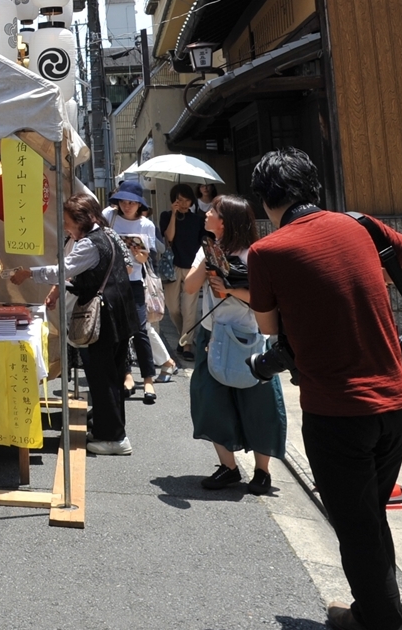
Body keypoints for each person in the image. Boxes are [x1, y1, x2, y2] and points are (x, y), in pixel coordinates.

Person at [245, 148, 402, 630]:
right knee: (369, 515)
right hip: (396, 403)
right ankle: (373, 609)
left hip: (336, 411)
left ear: (269, 198)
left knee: (355, 526)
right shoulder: (362, 226)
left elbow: (269, 327)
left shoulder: (268, 252)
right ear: (312, 189)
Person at [11, 193, 134, 456]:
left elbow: (62, 270)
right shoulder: (107, 235)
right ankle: (108, 430)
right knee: (109, 378)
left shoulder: (90, 244)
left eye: (68, 222)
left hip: (105, 319)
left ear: (84, 220)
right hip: (119, 316)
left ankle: (115, 439)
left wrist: (28, 273)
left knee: (103, 379)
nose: (66, 227)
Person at [183, 194, 286, 495]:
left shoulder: (256, 254)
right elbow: (190, 286)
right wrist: (210, 258)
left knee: (259, 406)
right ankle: (228, 467)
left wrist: (231, 290)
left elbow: (268, 300)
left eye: (212, 211)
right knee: (210, 400)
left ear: (226, 221)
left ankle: (262, 472)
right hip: (210, 336)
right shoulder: (208, 250)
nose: (206, 214)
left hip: (249, 338)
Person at [105, 181, 176, 403]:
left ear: (139, 204)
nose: (127, 206)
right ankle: (126, 374)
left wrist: (140, 255)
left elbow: (149, 258)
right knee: (118, 332)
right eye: (123, 201)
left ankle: (147, 380)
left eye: (132, 202)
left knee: (140, 331)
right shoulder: (109, 216)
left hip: (135, 282)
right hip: (112, 281)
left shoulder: (146, 225)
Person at [159, 184, 206, 356]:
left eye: (187, 200)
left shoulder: (199, 220)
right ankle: (183, 337)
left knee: (189, 308)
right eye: (180, 200)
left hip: (193, 267)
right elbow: (169, 238)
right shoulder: (166, 216)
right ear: (174, 200)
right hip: (173, 266)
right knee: (172, 308)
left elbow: (203, 244)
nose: (184, 204)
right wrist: (173, 214)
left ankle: (186, 345)